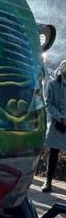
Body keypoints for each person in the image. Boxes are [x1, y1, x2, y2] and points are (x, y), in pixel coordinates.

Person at [41, 60, 66, 192]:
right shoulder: (53, 84)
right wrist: (60, 118)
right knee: (54, 153)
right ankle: (48, 181)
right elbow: (48, 104)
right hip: (58, 123)